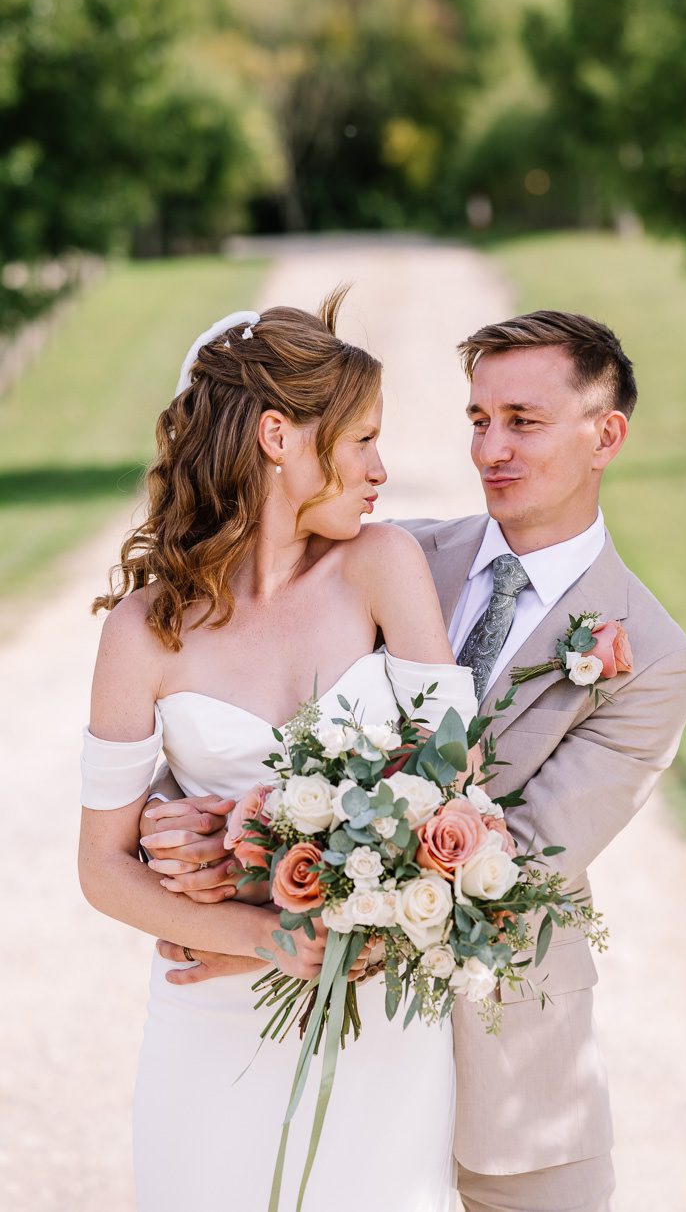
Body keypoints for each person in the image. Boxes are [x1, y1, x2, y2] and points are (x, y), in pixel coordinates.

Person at [144, 309, 686, 1212]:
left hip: (509, 1089)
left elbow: (503, 864)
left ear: (607, 436)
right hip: (336, 1052)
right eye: (478, 420)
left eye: (522, 421)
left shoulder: (656, 661)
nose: (491, 449)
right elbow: (240, 677)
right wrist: (184, 811)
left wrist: (262, 932)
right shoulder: (380, 554)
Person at [78, 293, 478, 1212]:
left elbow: (452, 789)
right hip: (208, 1021)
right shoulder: (145, 629)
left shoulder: (382, 567)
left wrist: (299, 890)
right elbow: (102, 867)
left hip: (377, 1020)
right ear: (276, 436)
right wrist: (266, 935)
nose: (382, 468)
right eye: (362, 439)